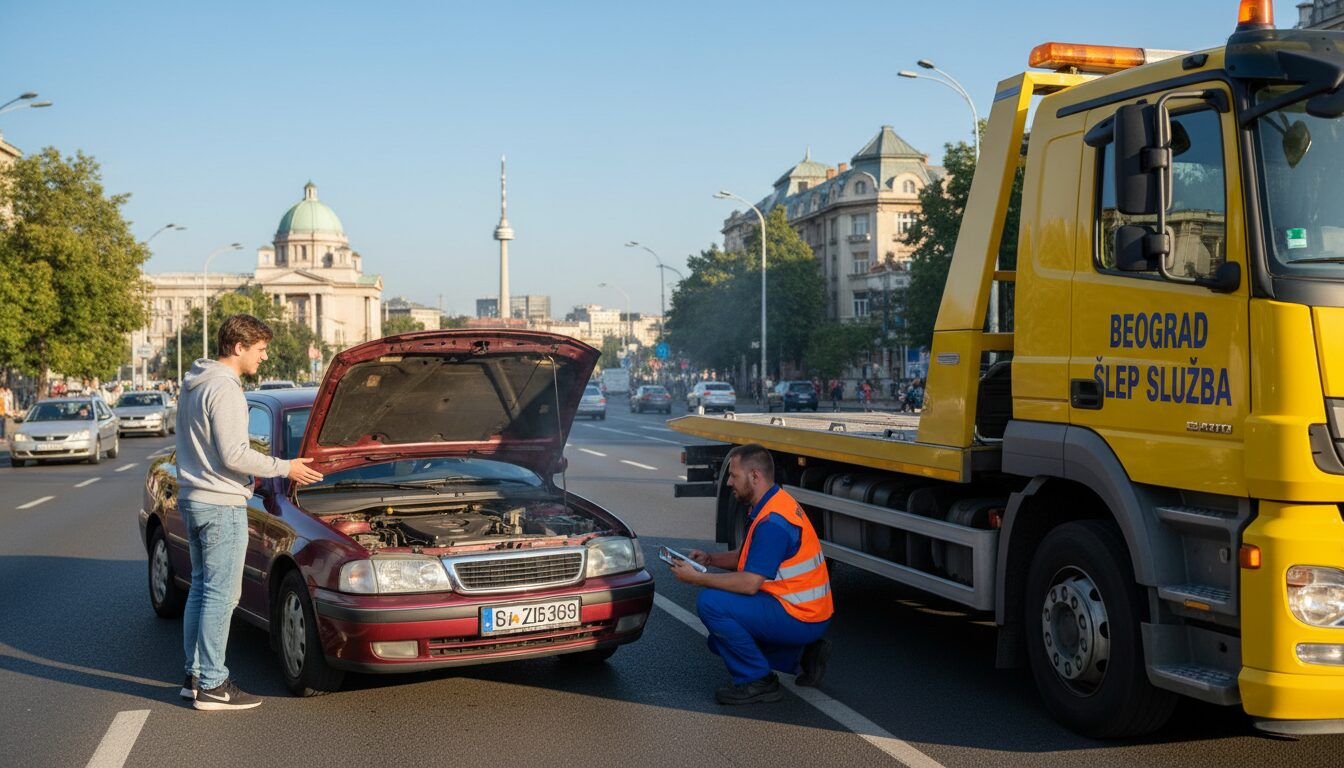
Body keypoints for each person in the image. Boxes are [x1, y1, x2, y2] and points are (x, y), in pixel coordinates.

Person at [176, 314, 324, 711]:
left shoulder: (194, 383)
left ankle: (194, 676)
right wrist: (285, 466)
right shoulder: (225, 389)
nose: (264, 357)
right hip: (221, 503)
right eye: (260, 350)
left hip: (195, 497)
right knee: (222, 595)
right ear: (239, 347)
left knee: (203, 590)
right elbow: (234, 454)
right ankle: (212, 683)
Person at [670, 443, 833, 704]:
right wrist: (710, 559)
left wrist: (698, 578)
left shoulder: (773, 523)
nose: (729, 483)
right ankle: (802, 654)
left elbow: (749, 584)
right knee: (719, 642)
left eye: (733, 476)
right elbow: (748, 557)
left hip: (801, 615)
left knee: (711, 604)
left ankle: (758, 680)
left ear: (754, 476)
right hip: (806, 610)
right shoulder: (772, 503)